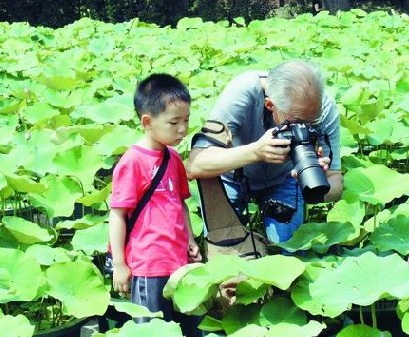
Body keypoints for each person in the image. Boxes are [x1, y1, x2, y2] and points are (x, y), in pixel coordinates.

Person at [186, 60, 343, 245]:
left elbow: (336, 185)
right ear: (270, 105)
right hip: (231, 175)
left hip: (284, 179)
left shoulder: (323, 109)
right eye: (296, 122)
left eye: (311, 124)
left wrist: (313, 181)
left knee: (286, 250)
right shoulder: (242, 92)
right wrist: (256, 152)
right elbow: (195, 165)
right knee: (227, 256)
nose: (304, 128)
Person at [108, 73, 202, 337]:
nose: (183, 129)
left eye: (186, 120)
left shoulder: (173, 158)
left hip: (179, 262)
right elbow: (117, 215)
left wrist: (190, 240)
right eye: (174, 122)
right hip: (148, 266)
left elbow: (180, 205)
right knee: (153, 331)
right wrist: (119, 264)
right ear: (147, 122)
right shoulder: (132, 162)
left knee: (191, 329)